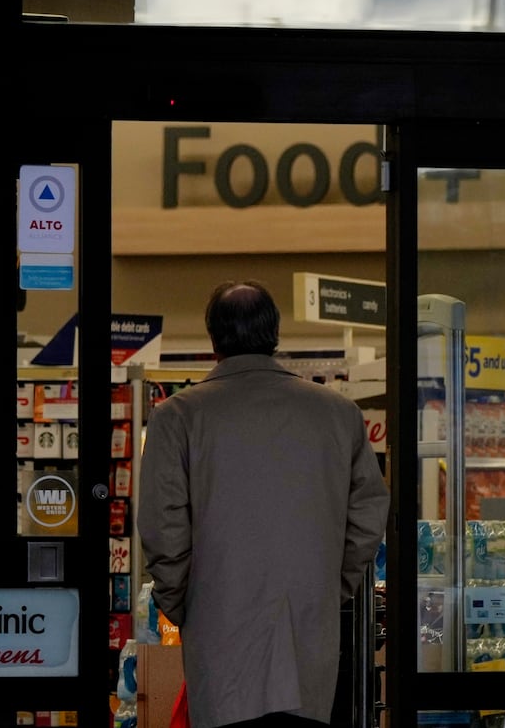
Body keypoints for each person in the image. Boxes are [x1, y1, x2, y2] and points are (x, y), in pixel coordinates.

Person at [138, 280, 389, 728]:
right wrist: (331, 587)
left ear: (213, 338)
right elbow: (368, 514)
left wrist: (184, 601)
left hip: (219, 636)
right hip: (308, 630)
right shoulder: (337, 413)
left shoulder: (178, 416)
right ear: (274, 334)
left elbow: (162, 527)